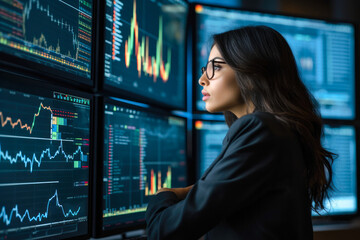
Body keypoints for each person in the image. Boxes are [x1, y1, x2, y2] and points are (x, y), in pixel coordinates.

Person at [145, 26, 335, 240]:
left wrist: (162, 196)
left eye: (215, 67)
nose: (203, 80)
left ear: (252, 73)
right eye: (204, 68)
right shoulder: (280, 130)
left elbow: (164, 232)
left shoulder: (259, 128)